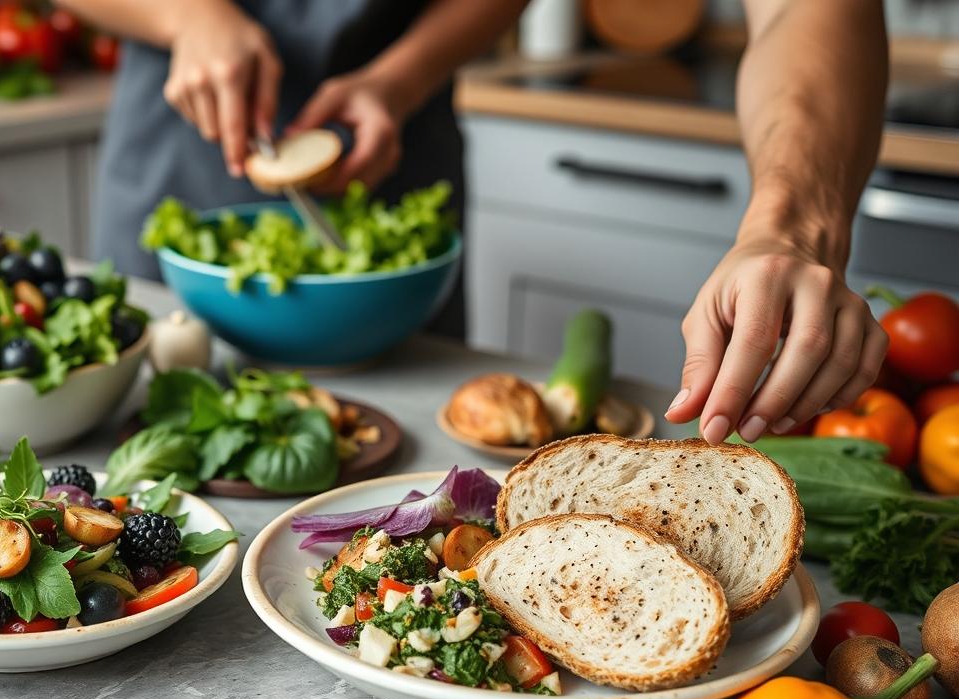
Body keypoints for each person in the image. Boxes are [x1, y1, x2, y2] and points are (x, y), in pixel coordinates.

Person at [61, 0, 890, 446]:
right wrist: (185, 16)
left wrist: (788, 221)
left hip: (393, 134)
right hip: (182, 131)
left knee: (410, 430)